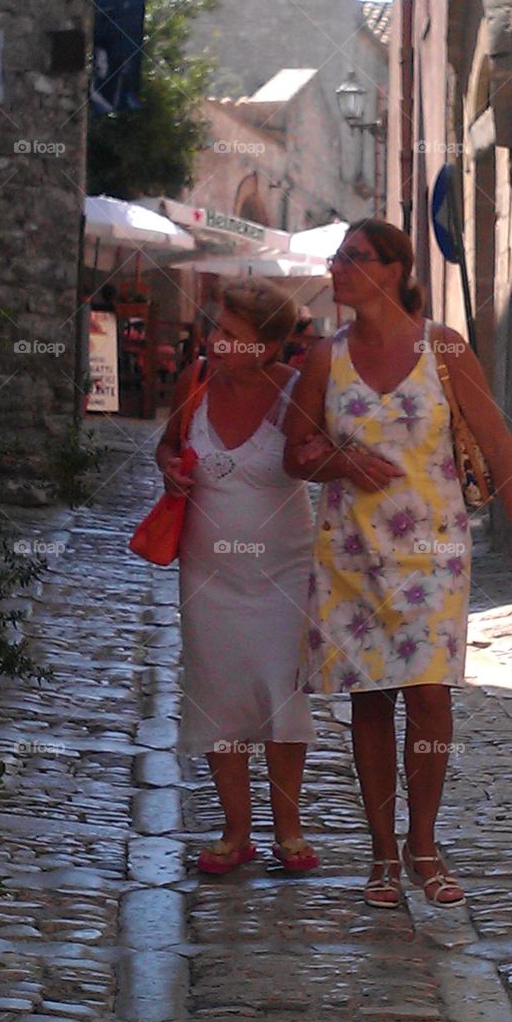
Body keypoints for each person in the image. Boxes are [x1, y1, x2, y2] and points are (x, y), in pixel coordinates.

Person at [284, 219, 512, 908]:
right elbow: (294, 453)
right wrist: (340, 460)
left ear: (395, 270)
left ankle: (422, 844)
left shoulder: (444, 349)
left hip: (433, 550)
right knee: (370, 701)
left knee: (429, 696)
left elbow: (497, 444)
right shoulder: (324, 356)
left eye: (354, 257)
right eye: (336, 257)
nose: (337, 267)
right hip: (350, 549)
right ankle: (380, 856)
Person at [156, 277, 319, 876]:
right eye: (217, 328)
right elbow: (168, 444)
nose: (216, 340)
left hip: (283, 571)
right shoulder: (194, 381)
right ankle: (235, 831)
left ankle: (289, 828)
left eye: (231, 333)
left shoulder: (300, 393)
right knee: (218, 689)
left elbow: (318, 456)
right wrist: (170, 467)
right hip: (208, 575)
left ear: (267, 344)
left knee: (283, 691)